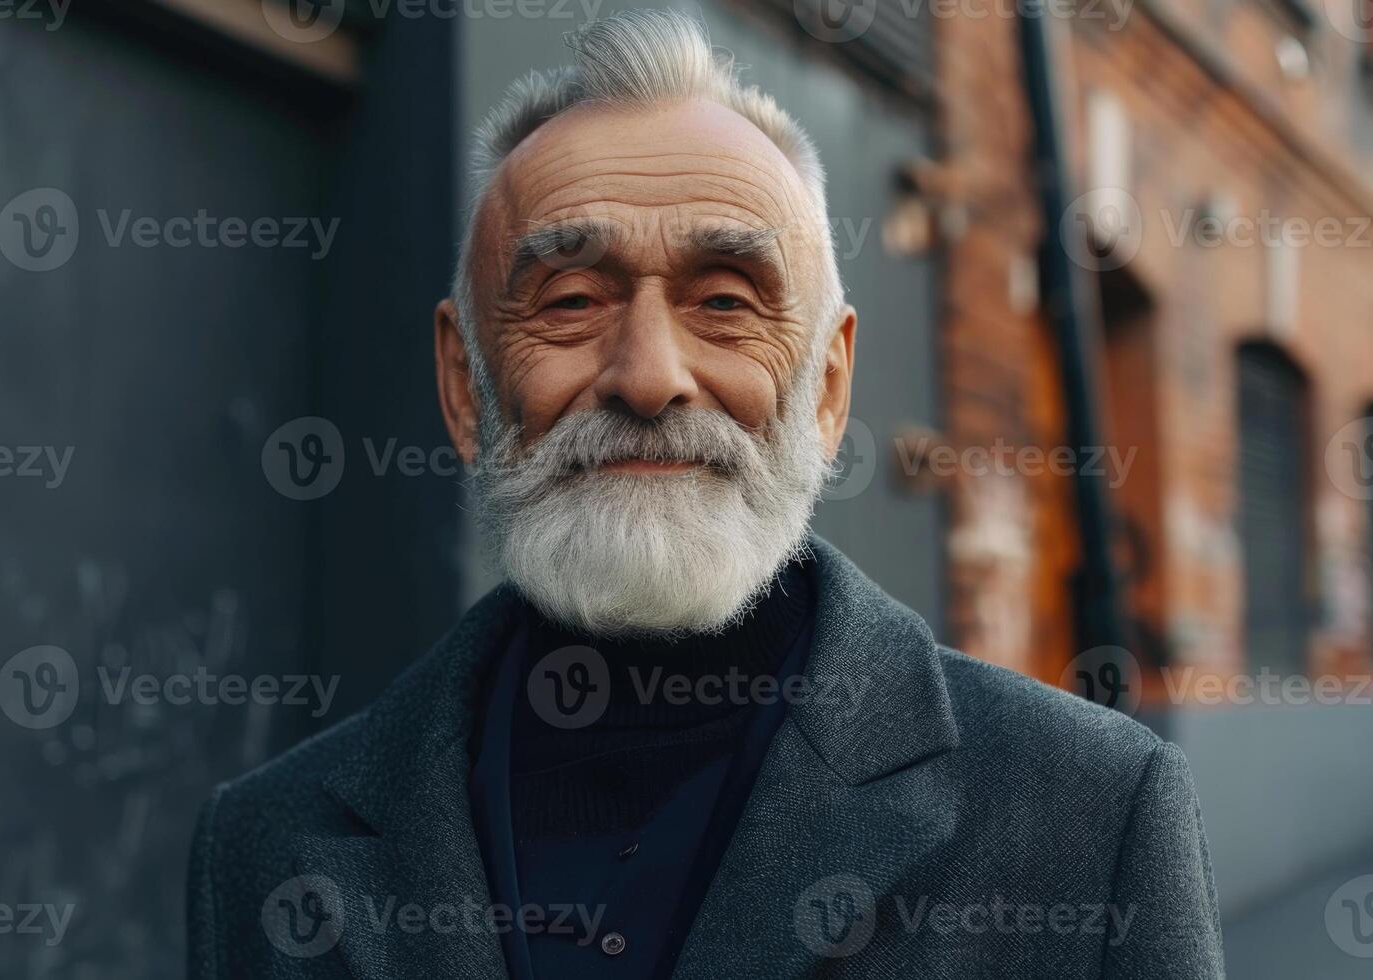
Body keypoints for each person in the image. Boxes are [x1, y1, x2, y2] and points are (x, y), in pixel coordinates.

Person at [187, 10, 1223, 978]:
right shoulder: (264, 845)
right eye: (573, 299)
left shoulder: (1088, 814)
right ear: (468, 386)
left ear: (826, 388)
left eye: (725, 302)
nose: (648, 375)